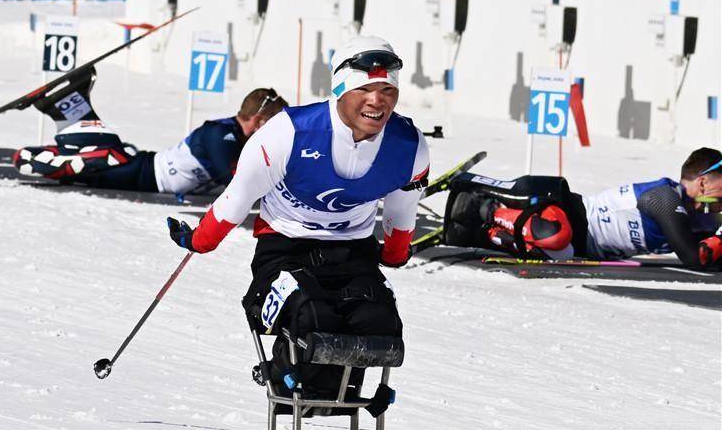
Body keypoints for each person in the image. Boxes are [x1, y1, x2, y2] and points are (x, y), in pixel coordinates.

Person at [166, 35, 430, 396]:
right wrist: (200, 240)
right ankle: (286, 383)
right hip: (285, 249)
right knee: (312, 316)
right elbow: (238, 197)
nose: (378, 100)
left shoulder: (409, 145)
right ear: (340, 90)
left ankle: (345, 399)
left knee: (379, 321)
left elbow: (402, 211)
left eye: (387, 89)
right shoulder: (288, 133)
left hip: (352, 252)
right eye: (366, 88)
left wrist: (396, 254)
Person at [443, 147, 722, 269]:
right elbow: (693, 257)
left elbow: (711, 258)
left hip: (581, 247)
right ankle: (484, 207)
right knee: (555, 236)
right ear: (702, 183)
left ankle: (482, 231)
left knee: (552, 252)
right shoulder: (665, 198)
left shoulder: (700, 218)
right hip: (572, 216)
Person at [12, 73, 288, 195]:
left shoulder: (230, 134)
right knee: (98, 164)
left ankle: (67, 104)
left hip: (144, 168)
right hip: (145, 177)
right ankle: (49, 150)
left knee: (105, 151)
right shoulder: (222, 137)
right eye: (273, 122)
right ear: (258, 120)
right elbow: (235, 181)